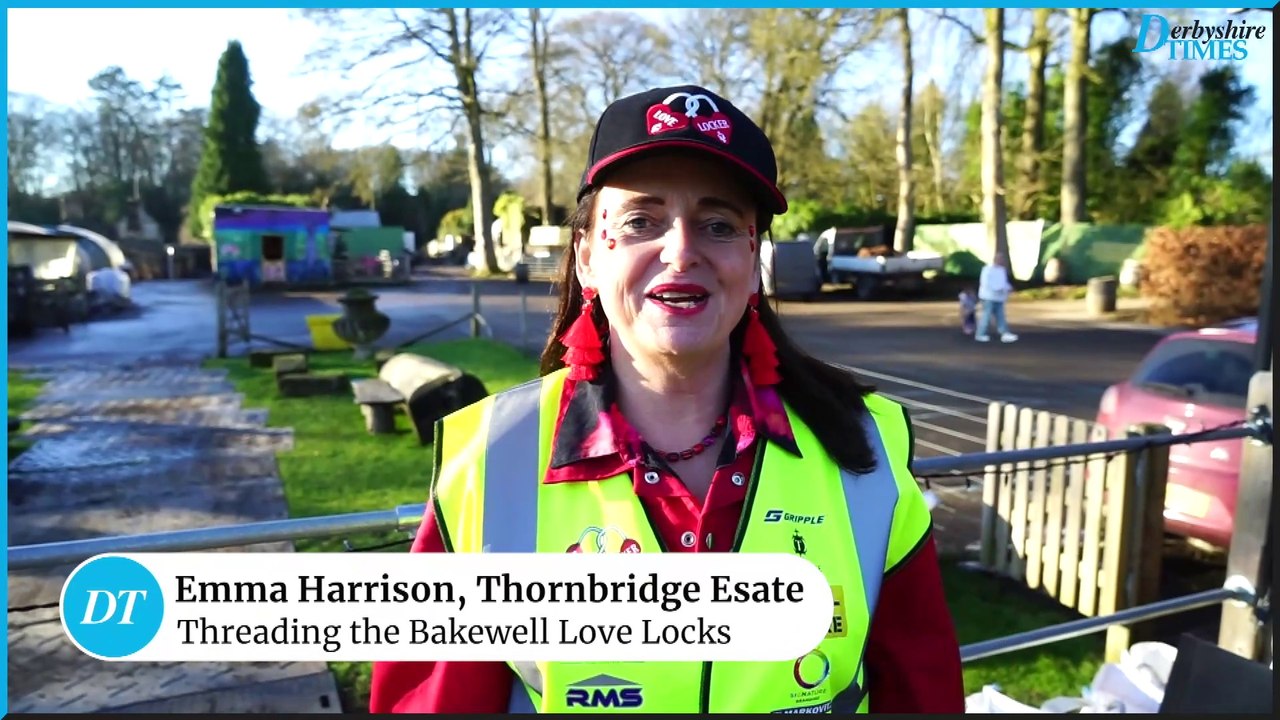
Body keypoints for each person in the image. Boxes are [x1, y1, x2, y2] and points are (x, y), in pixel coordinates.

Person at [369, 85, 964, 714]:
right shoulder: (490, 462)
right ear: (588, 259)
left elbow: (921, 692)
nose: (681, 251)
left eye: (718, 225)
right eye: (639, 221)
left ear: (753, 261)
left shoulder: (863, 450)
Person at [976, 252, 1018, 343]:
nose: (1001, 261)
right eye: (1000, 259)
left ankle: (1004, 333)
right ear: (995, 259)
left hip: (999, 297)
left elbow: (1003, 282)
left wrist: (1009, 288)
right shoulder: (987, 269)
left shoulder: (1001, 270)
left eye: (1002, 259)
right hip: (988, 297)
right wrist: (997, 288)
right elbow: (985, 283)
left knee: (1001, 316)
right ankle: (980, 334)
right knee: (986, 316)